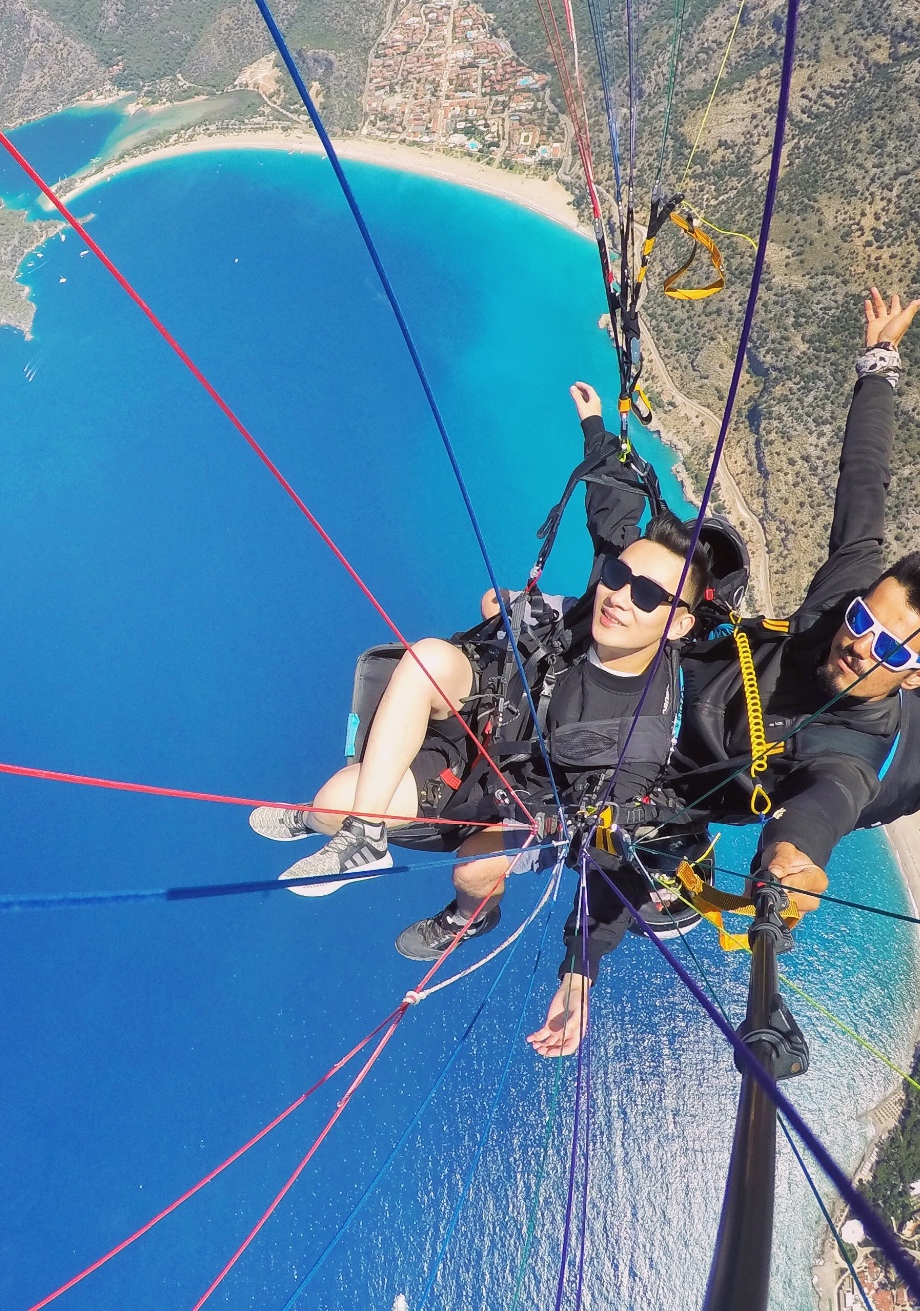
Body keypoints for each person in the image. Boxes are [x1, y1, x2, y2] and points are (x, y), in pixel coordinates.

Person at [249, 381, 713, 1056]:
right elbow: (614, 504)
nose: (619, 596)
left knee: (459, 862)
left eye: (647, 595)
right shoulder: (608, 596)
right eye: (617, 577)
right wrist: (594, 426)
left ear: (678, 625)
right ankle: (364, 833)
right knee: (428, 659)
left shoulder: (637, 741)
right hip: (484, 716)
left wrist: (579, 972)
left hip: (510, 797)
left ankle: (471, 915)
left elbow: (607, 859)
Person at [560, 288, 920, 1022]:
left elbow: (816, 818)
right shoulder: (848, 596)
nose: (855, 641)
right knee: (595, 585)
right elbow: (864, 485)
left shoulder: (846, 760)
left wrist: (787, 872)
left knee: (622, 833)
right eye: (861, 619)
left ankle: (667, 868)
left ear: (917, 673)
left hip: (684, 774)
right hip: (688, 671)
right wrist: (879, 363)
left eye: (883, 645)